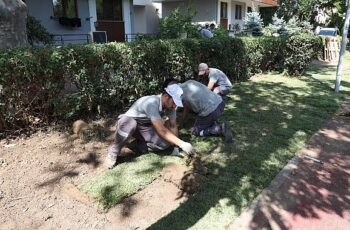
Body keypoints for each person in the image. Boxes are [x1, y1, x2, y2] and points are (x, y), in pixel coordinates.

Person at [105, 84, 194, 169]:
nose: (174, 106)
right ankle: (113, 152)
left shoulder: (171, 107)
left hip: (145, 126)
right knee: (130, 124)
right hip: (129, 122)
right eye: (174, 102)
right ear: (166, 96)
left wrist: (176, 148)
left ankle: (136, 146)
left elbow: (173, 125)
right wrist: (182, 143)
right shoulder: (152, 102)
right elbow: (161, 130)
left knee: (164, 144)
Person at [166, 79, 233, 143]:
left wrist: (180, 123)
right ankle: (211, 123)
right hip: (220, 103)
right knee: (199, 113)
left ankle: (220, 129)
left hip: (212, 111)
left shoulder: (183, 96)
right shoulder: (189, 82)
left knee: (196, 132)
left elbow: (186, 113)